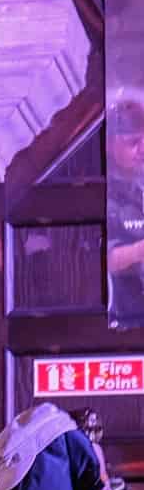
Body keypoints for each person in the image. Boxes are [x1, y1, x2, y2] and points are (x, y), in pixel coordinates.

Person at [107, 97, 144, 324]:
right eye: (133, 142)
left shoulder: (140, 184)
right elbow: (104, 260)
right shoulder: (102, 192)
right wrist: (139, 251)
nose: (142, 150)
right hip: (128, 319)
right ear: (110, 144)